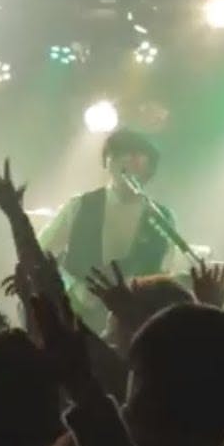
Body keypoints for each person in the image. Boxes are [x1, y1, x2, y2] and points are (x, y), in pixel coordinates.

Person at [38, 129, 177, 331]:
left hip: (135, 320)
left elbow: (165, 270)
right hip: (79, 313)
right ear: (107, 162)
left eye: (136, 154)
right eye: (119, 154)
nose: (127, 161)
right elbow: (43, 250)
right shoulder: (80, 206)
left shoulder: (161, 217)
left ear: (150, 166)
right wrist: (68, 288)